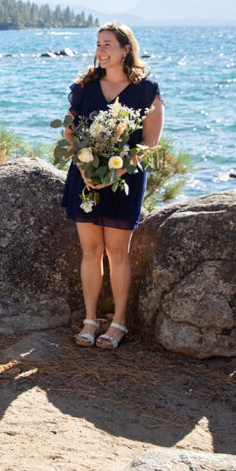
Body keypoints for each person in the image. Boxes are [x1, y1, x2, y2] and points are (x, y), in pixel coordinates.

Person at [62, 22, 164, 350]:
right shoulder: (84, 88)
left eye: (107, 44)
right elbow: (69, 132)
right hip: (86, 178)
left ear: (125, 49)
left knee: (118, 253)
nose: (101, 50)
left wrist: (118, 171)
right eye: (98, 44)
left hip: (125, 180)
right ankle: (90, 320)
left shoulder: (146, 90)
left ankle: (118, 322)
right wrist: (84, 166)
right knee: (91, 251)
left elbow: (149, 141)